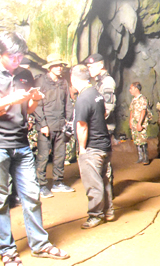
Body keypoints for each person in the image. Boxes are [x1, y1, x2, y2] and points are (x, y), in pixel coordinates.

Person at [0, 31, 70, 266]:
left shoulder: (25, 74)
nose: (17, 61)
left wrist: (33, 99)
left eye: (20, 56)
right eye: (13, 57)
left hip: (20, 143)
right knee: (1, 202)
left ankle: (39, 244)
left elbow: (28, 110)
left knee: (31, 194)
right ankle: (7, 252)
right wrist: (10, 99)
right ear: (1, 54)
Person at [71, 64, 114, 229]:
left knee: (93, 183)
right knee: (105, 180)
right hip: (104, 144)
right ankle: (109, 212)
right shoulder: (96, 93)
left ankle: (96, 215)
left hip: (92, 146)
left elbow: (82, 125)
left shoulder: (83, 98)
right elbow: (103, 113)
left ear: (73, 80)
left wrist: (82, 149)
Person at [34, 54, 74, 198]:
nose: (59, 68)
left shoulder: (63, 82)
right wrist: (42, 124)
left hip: (60, 124)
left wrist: (69, 121)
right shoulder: (41, 81)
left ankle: (58, 182)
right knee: (43, 156)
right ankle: (41, 185)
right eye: (56, 66)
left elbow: (68, 102)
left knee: (60, 155)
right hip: (46, 125)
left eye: (60, 66)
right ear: (49, 67)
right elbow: (36, 105)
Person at [84, 53, 116, 187]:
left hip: (104, 128)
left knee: (104, 162)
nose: (89, 69)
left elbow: (107, 108)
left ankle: (107, 192)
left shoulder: (107, 82)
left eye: (91, 67)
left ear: (100, 65)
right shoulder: (99, 82)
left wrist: (94, 122)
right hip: (99, 127)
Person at [128, 82, 150, 164]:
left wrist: (139, 123)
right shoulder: (133, 100)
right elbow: (131, 111)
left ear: (136, 88)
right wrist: (130, 121)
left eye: (131, 88)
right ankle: (140, 157)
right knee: (136, 140)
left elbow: (143, 111)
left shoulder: (142, 99)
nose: (130, 90)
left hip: (140, 123)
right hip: (134, 122)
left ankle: (146, 158)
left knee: (143, 140)